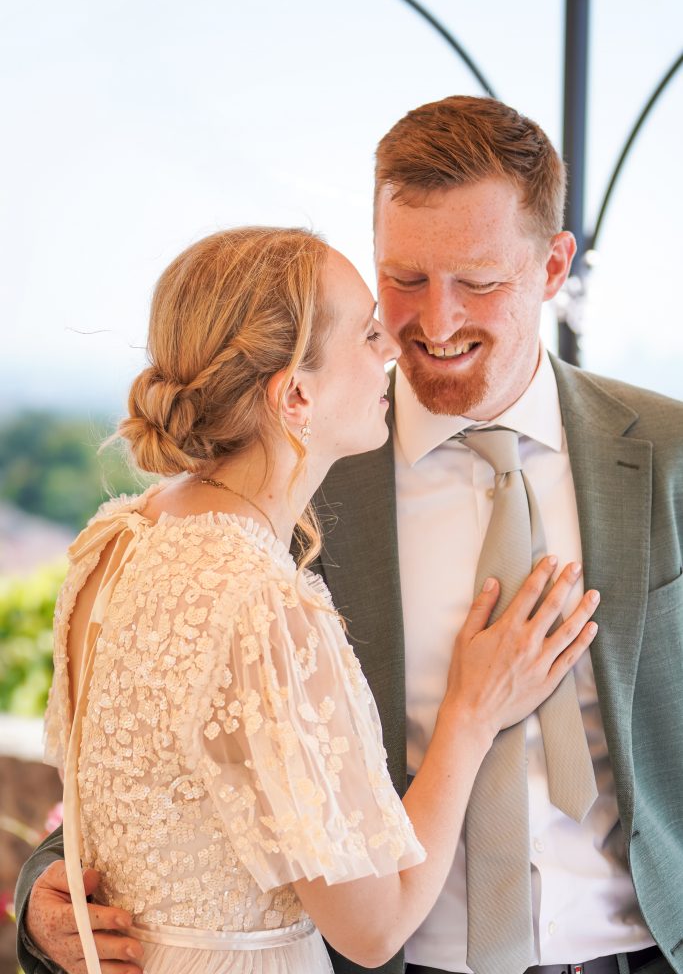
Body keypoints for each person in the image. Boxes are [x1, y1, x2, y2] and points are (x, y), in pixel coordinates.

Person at [16, 95, 683, 974]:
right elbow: (150, 764)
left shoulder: (668, 455)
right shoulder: (283, 480)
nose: (431, 325)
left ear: (553, 265)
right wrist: (42, 890)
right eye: (402, 280)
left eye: (477, 282)